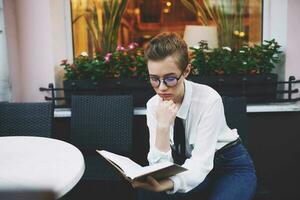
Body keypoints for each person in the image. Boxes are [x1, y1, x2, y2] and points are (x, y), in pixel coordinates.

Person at [131, 32, 257, 200]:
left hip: (229, 167)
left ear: (186, 71)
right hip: (189, 168)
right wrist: (162, 127)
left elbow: (201, 163)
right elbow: (159, 169)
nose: (161, 88)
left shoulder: (209, 99)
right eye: (154, 79)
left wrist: (168, 183)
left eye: (170, 79)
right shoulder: (153, 105)